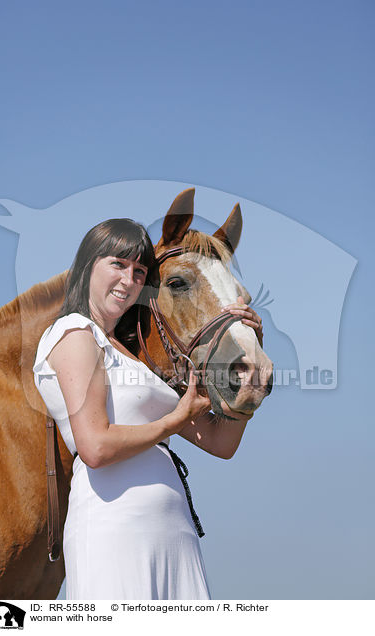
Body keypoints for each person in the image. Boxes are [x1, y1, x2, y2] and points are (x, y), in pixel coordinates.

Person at [33, 218, 263, 600]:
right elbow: (95, 447)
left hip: (174, 533)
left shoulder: (136, 361)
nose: (129, 279)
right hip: (115, 529)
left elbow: (222, 443)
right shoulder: (74, 333)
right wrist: (174, 419)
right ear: (88, 265)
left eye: (140, 271)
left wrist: (249, 371)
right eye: (117, 265)